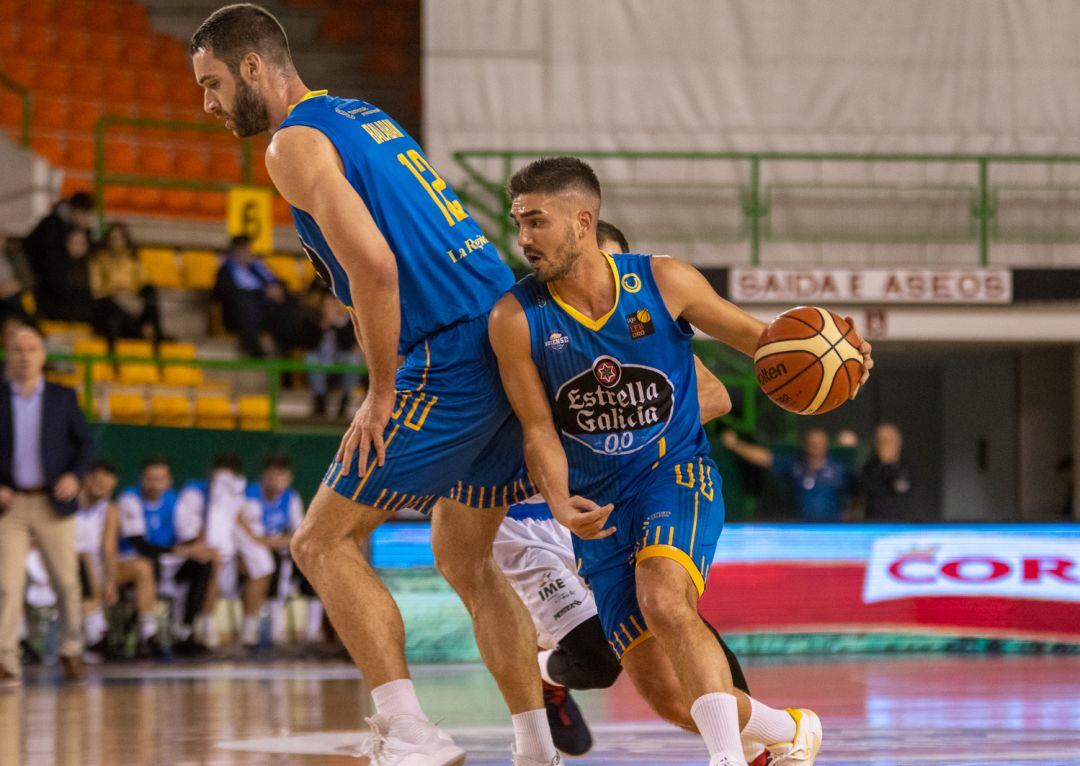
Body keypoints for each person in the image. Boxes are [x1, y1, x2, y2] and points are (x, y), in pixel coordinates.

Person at [191, 8, 551, 764]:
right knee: (465, 558)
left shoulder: (292, 145)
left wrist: (382, 393)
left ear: (255, 67)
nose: (209, 104)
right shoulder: (363, 116)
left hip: (449, 355)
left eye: (214, 84)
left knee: (322, 540)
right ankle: (536, 747)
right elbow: (363, 293)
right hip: (505, 333)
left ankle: (412, 731)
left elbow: (377, 269)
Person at [489, 157, 871, 766]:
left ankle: (726, 759)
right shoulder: (515, 318)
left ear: (582, 221)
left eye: (536, 221)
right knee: (666, 694)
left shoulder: (664, 281)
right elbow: (538, 430)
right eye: (519, 224)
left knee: (666, 599)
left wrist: (835, 354)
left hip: (674, 474)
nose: (524, 238)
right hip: (597, 502)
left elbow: (764, 342)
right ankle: (784, 727)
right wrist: (559, 501)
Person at [493, 221, 765, 764]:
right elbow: (532, 429)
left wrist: (625, 437)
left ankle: (757, 747)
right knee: (598, 660)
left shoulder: (651, 322)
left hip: (631, 497)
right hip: (533, 515)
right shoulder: (528, 322)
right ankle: (544, 674)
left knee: (685, 628)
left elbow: (715, 399)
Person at [0, 326, 94, 686]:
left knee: (67, 582)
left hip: (53, 501)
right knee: (8, 585)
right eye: (17, 349)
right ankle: (7, 661)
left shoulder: (62, 397)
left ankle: (72, 651)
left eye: (31, 348)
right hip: (11, 506)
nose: (24, 355)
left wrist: (75, 475)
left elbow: (84, 445)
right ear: (9, 355)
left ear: (42, 355)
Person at [117, 456, 218, 657]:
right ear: (142, 479)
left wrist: (199, 545)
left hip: (168, 561)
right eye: (150, 479)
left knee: (205, 562)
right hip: (133, 561)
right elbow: (141, 546)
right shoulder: (129, 499)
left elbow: (188, 537)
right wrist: (181, 550)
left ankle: (185, 631)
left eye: (160, 479)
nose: (155, 484)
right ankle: (146, 635)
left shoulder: (174, 500)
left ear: (169, 480)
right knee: (147, 564)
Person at [175, 453, 266, 649]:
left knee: (262, 565)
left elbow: (241, 526)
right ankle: (206, 626)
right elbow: (189, 532)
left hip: (227, 556)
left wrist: (258, 544)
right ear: (211, 474)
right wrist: (206, 545)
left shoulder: (237, 494)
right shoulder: (193, 493)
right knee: (213, 560)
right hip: (188, 558)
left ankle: (249, 628)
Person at [236, 454, 306, 647]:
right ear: (263, 477)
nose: (276, 482)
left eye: (282, 478)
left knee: (284, 562)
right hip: (245, 553)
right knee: (265, 563)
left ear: (289, 478)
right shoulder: (248, 495)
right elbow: (246, 531)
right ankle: (250, 628)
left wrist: (274, 542)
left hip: (276, 551)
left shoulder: (291, 498)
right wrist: (266, 542)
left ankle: (279, 628)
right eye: (272, 477)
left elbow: (298, 533)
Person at [722, 428, 857, 523]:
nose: (815, 449)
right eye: (811, 444)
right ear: (805, 445)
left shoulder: (838, 469)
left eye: (818, 445)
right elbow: (766, 458)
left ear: (825, 446)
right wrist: (735, 445)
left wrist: (850, 516)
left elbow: (857, 493)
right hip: (799, 529)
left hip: (832, 529)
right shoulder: (795, 465)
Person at [213, 234, 304, 358]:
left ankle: (290, 347)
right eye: (242, 249)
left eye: (247, 249)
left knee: (289, 304)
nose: (247, 252)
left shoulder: (258, 267)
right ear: (234, 251)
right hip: (241, 313)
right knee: (245, 301)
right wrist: (262, 292)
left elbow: (277, 281)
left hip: (266, 309)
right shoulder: (225, 271)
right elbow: (222, 294)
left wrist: (278, 290)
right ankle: (255, 349)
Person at [90, 222, 165, 346]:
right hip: (110, 303)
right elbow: (96, 289)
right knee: (114, 313)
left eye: (119, 238)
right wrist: (116, 293)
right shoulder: (100, 260)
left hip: (131, 302)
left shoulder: (134, 260)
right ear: (107, 240)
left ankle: (158, 342)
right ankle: (137, 334)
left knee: (151, 295)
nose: (116, 242)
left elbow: (143, 283)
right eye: (113, 238)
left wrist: (130, 296)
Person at [74, 459, 119, 654]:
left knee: (140, 567)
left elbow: (109, 549)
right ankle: (96, 635)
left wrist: (111, 580)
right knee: (84, 561)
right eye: (100, 485)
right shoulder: (67, 503)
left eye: (108, 489)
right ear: (87, 479)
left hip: (94, 565)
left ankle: (148, 634)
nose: (103, 492)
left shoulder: (109, 510)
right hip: (62, 561)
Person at [22, 191, 95, 299]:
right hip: (49, 289)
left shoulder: (78, 229)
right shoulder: (51, 227)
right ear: (76, 211)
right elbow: (50, 264)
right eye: (85, 214)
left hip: (65, 285)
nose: (86, 219)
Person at [306, 290, 364, 419]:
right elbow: (308, 343)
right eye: (326, 305)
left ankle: (345, 398)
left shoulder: (346, 321)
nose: (329, 308)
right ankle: (319, 399)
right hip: (322, 356)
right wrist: (324, 326)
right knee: (311, 359)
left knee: (352, 359)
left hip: (340, 356)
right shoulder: (314, 320)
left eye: (332, 305)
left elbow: (348, 345)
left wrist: (337, 325)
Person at [33, 227, 95, 324]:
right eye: (74, 243)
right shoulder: (54, 264)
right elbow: (57, 290)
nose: (77, 247)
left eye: (81, 243)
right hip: (59, 310)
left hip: (83, 311)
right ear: (65, 243)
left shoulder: (90, 265)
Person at [856, 423, 914, 521]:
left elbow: (901, 488)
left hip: (902, 522)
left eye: (888, 441)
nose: (884, 445)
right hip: (874, 522)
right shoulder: (869, 466)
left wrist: (889, 464)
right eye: (880, 441)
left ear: (898, 443)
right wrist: (883, 464)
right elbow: (865, 490)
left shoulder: (907, 465)